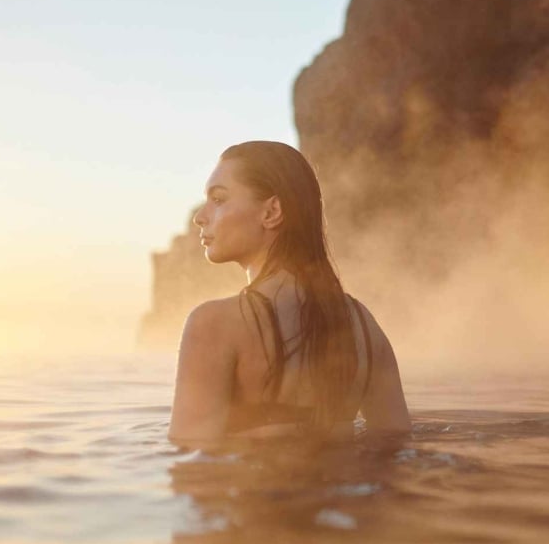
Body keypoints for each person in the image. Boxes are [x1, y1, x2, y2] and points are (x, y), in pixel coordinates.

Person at [168, 141, 410, 444]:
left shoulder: (214, 323)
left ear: (272, 212)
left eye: (218, 199)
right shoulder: (362, 324)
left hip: (252, 475)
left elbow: (190, 456)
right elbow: (395, 441)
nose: (200, 217)